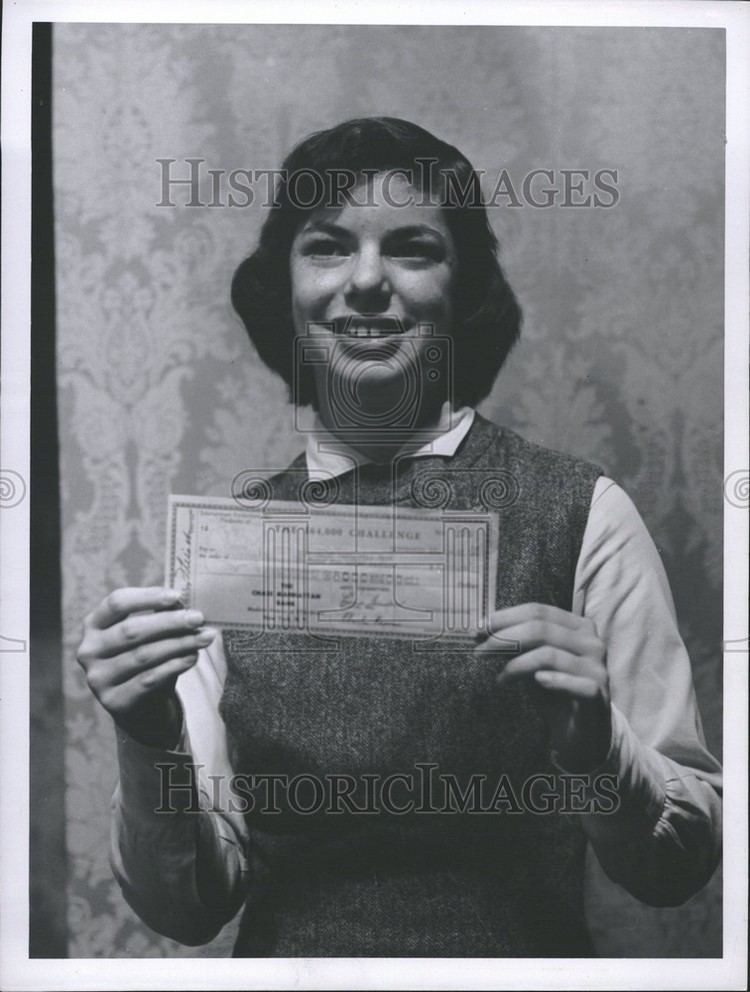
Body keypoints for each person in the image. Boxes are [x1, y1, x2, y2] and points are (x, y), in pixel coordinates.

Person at [76, 117, 722, 957]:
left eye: (414, 247)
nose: (368, 282)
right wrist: (147, 734)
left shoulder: (584, 511)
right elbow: (190, 909)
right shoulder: (226, 556)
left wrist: (600, 751)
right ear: (286, 287)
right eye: (328, 247)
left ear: (466, 289)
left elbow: (677, 870)